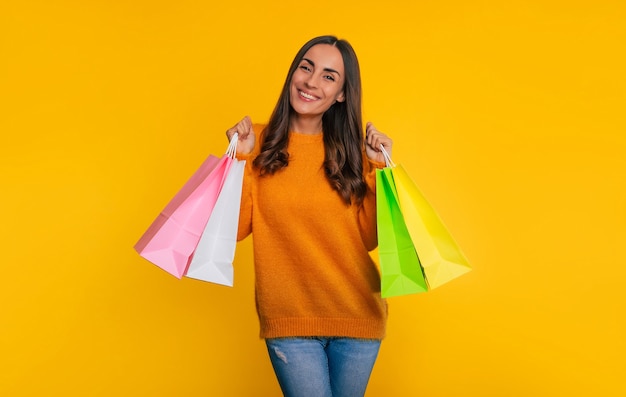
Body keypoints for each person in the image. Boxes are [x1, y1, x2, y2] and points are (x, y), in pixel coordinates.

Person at [225, 35, 393, 397]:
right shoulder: (256, 142)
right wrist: (238, 160)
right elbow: (235, 230)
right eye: (306, 67)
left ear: (343, 94)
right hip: (289, 323)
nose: (312, 82)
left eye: (329, 77)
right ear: (293, 74)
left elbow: (368, 237)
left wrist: (379, 168)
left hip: (357, 316)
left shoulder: (354, 153)